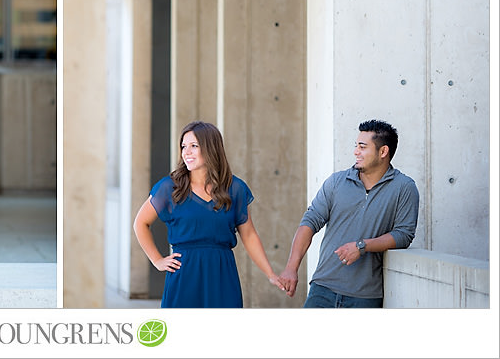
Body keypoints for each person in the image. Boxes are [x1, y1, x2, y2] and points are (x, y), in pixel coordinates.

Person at [133, 120, 283, 307]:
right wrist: (157, 260)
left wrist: (270, 274)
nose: (186, 152)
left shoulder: (234, 189)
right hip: (184, 274)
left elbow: (249, 234)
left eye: (194, 146)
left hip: (222, 274)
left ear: (211, 148)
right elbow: (140, 223)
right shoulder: (170, 188)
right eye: (183, 146)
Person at [277, 118, 419, 308]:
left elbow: (403, 235)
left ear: (383, 151)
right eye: (356, 146)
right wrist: (291, 268)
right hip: (322, 288)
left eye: (362, 147)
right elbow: (310, 222)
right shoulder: (336, 182)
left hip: (364, 296)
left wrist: (363, 246)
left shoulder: (404, 188)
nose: (355, 152)